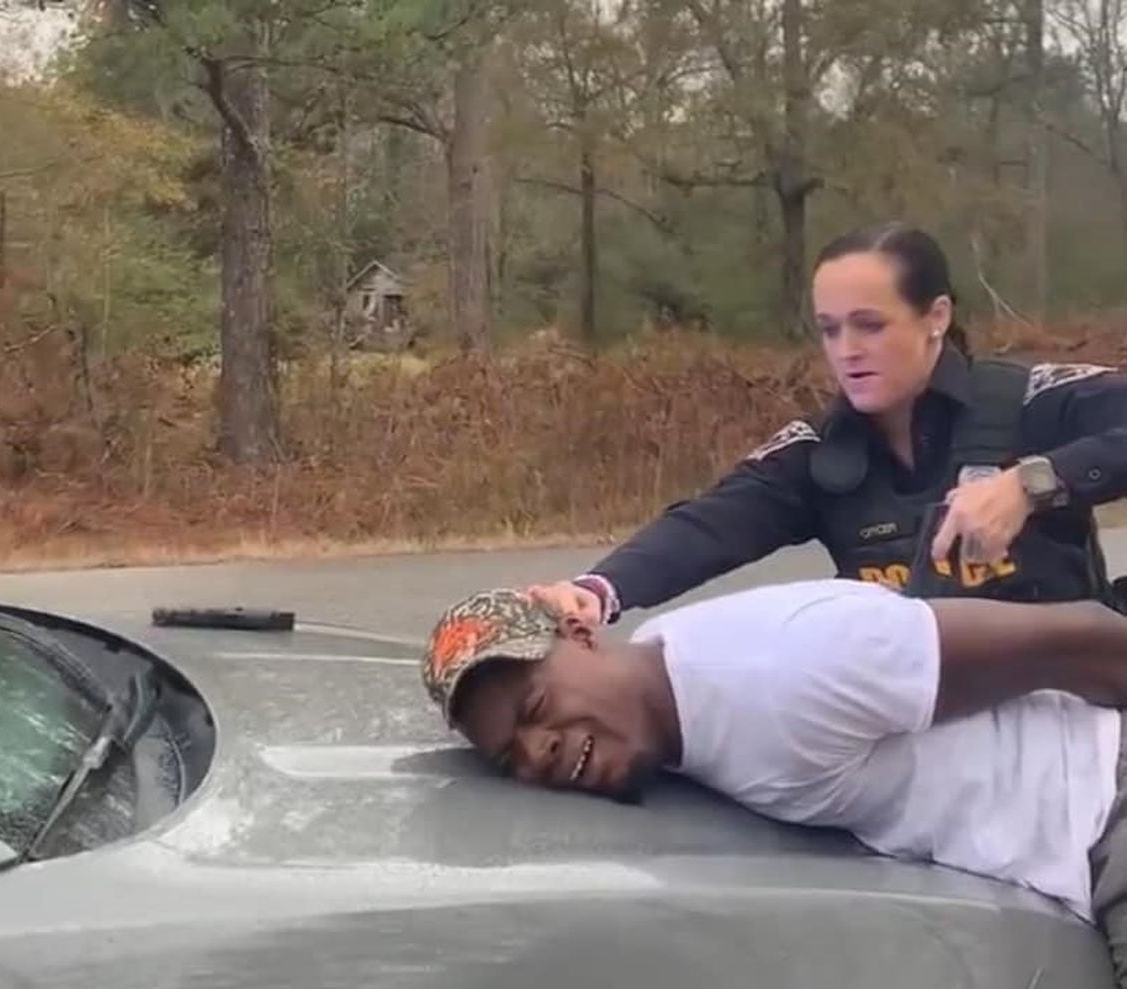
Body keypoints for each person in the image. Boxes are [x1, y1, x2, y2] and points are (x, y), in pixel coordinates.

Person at [419, 581, 1127, 984]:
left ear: (579, 634)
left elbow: (1087, 640)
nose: (538, 751)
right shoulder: (669, 697)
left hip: (1106, 810)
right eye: (510, 756)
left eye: (535, 708)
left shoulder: (787, 668)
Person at [528, 221, 1127, 626]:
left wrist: (1029, 484)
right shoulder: (816, 453)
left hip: (1072, 713)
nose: (847, 350)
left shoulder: (1030, 399)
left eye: (870, 325)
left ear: (936, 316)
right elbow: (710, 523)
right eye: (830, 329)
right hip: (926, 718)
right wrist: (599, 592)